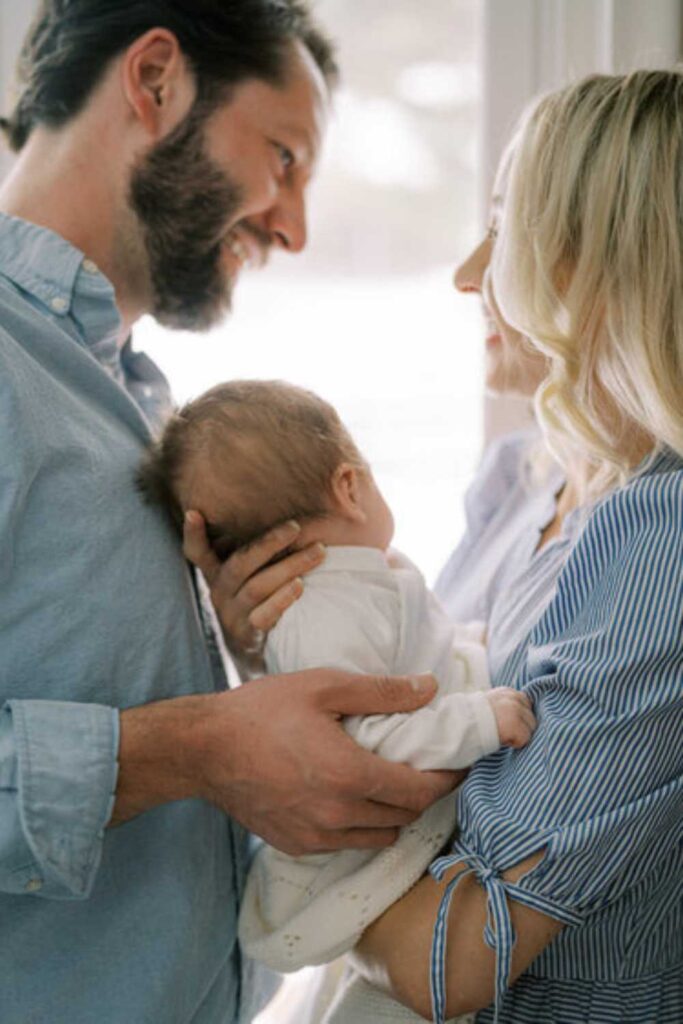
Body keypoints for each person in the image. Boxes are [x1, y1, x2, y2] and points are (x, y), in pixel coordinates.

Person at [0, 3, 456, 1022]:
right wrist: (195, 746)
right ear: (156, 80)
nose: (292, 227)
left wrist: (254, 661)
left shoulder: (143, 406)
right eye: (283, 157)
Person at [208, 70, 683, 1024]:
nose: (469, 271)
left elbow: (453, 955)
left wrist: (305, 893)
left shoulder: (659, 544)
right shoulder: (522, 475)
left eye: (506, 231)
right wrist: (277, 646)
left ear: (597, 265)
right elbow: (410, 684)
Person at [136, 377, 536, 978]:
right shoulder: (325, 611)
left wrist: (470, 651)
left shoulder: (362, 575)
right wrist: (479, 718)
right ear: (350, 486)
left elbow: (417, 653)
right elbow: (355, 750)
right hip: (352, 862)